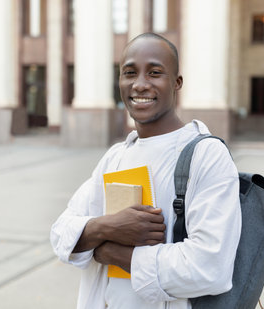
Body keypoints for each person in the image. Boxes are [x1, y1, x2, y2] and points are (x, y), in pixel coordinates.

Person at [50, 33, 241, 309]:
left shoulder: (206, 155)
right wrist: (110, 226)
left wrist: (110, 251)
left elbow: (209, 266)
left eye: (154, 73)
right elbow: (60, 233)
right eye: (129, 73)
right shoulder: (116, 156)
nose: (139, 85)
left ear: (177, 83)